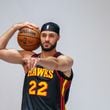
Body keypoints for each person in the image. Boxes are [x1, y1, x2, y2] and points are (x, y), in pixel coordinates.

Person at [0, 21, 74, 110]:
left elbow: (56, 64)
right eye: (43, 35)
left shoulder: (65, 60)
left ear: (58, 37)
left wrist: (39, 61)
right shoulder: (29, 58)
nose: (47, 39)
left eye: (51, 35)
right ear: (39, 37)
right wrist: (14, 27)